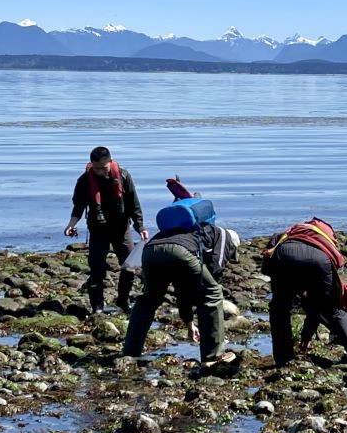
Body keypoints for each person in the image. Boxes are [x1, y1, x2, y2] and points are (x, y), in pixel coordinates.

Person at [122, 177, 234, 364]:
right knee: (213, 294)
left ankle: (130, 353)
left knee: (149, 300)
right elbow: (216, 267)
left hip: (151, 251)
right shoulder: (220, 233)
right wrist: (206, 288)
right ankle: (213, 356)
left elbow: (182, 286)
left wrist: (190, 322)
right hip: (179, 252)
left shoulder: (173, 230)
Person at [264, 218, 347, 367]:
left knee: (279, 309)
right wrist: (306, 336)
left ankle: (283, 358)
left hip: (284, 256)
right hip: (320, 260)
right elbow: (315, 307)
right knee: (331, 309)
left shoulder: (282, 236)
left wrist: (285, 289)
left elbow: (267, 267)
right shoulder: (324, 238)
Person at [65, 146, 145, 313]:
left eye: (103, 168)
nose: (100, 172)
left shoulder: (124, 176)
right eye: (96, 168)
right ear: (91, 165)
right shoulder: (84, 180)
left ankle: (122, 301)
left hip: (121, 228)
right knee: (97, 268)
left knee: (130, 266)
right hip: (97, 229)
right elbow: (78, 207)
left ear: (110, 161)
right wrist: (71, 224)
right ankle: (97, 308)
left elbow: (134, 206)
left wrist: (140, 227)